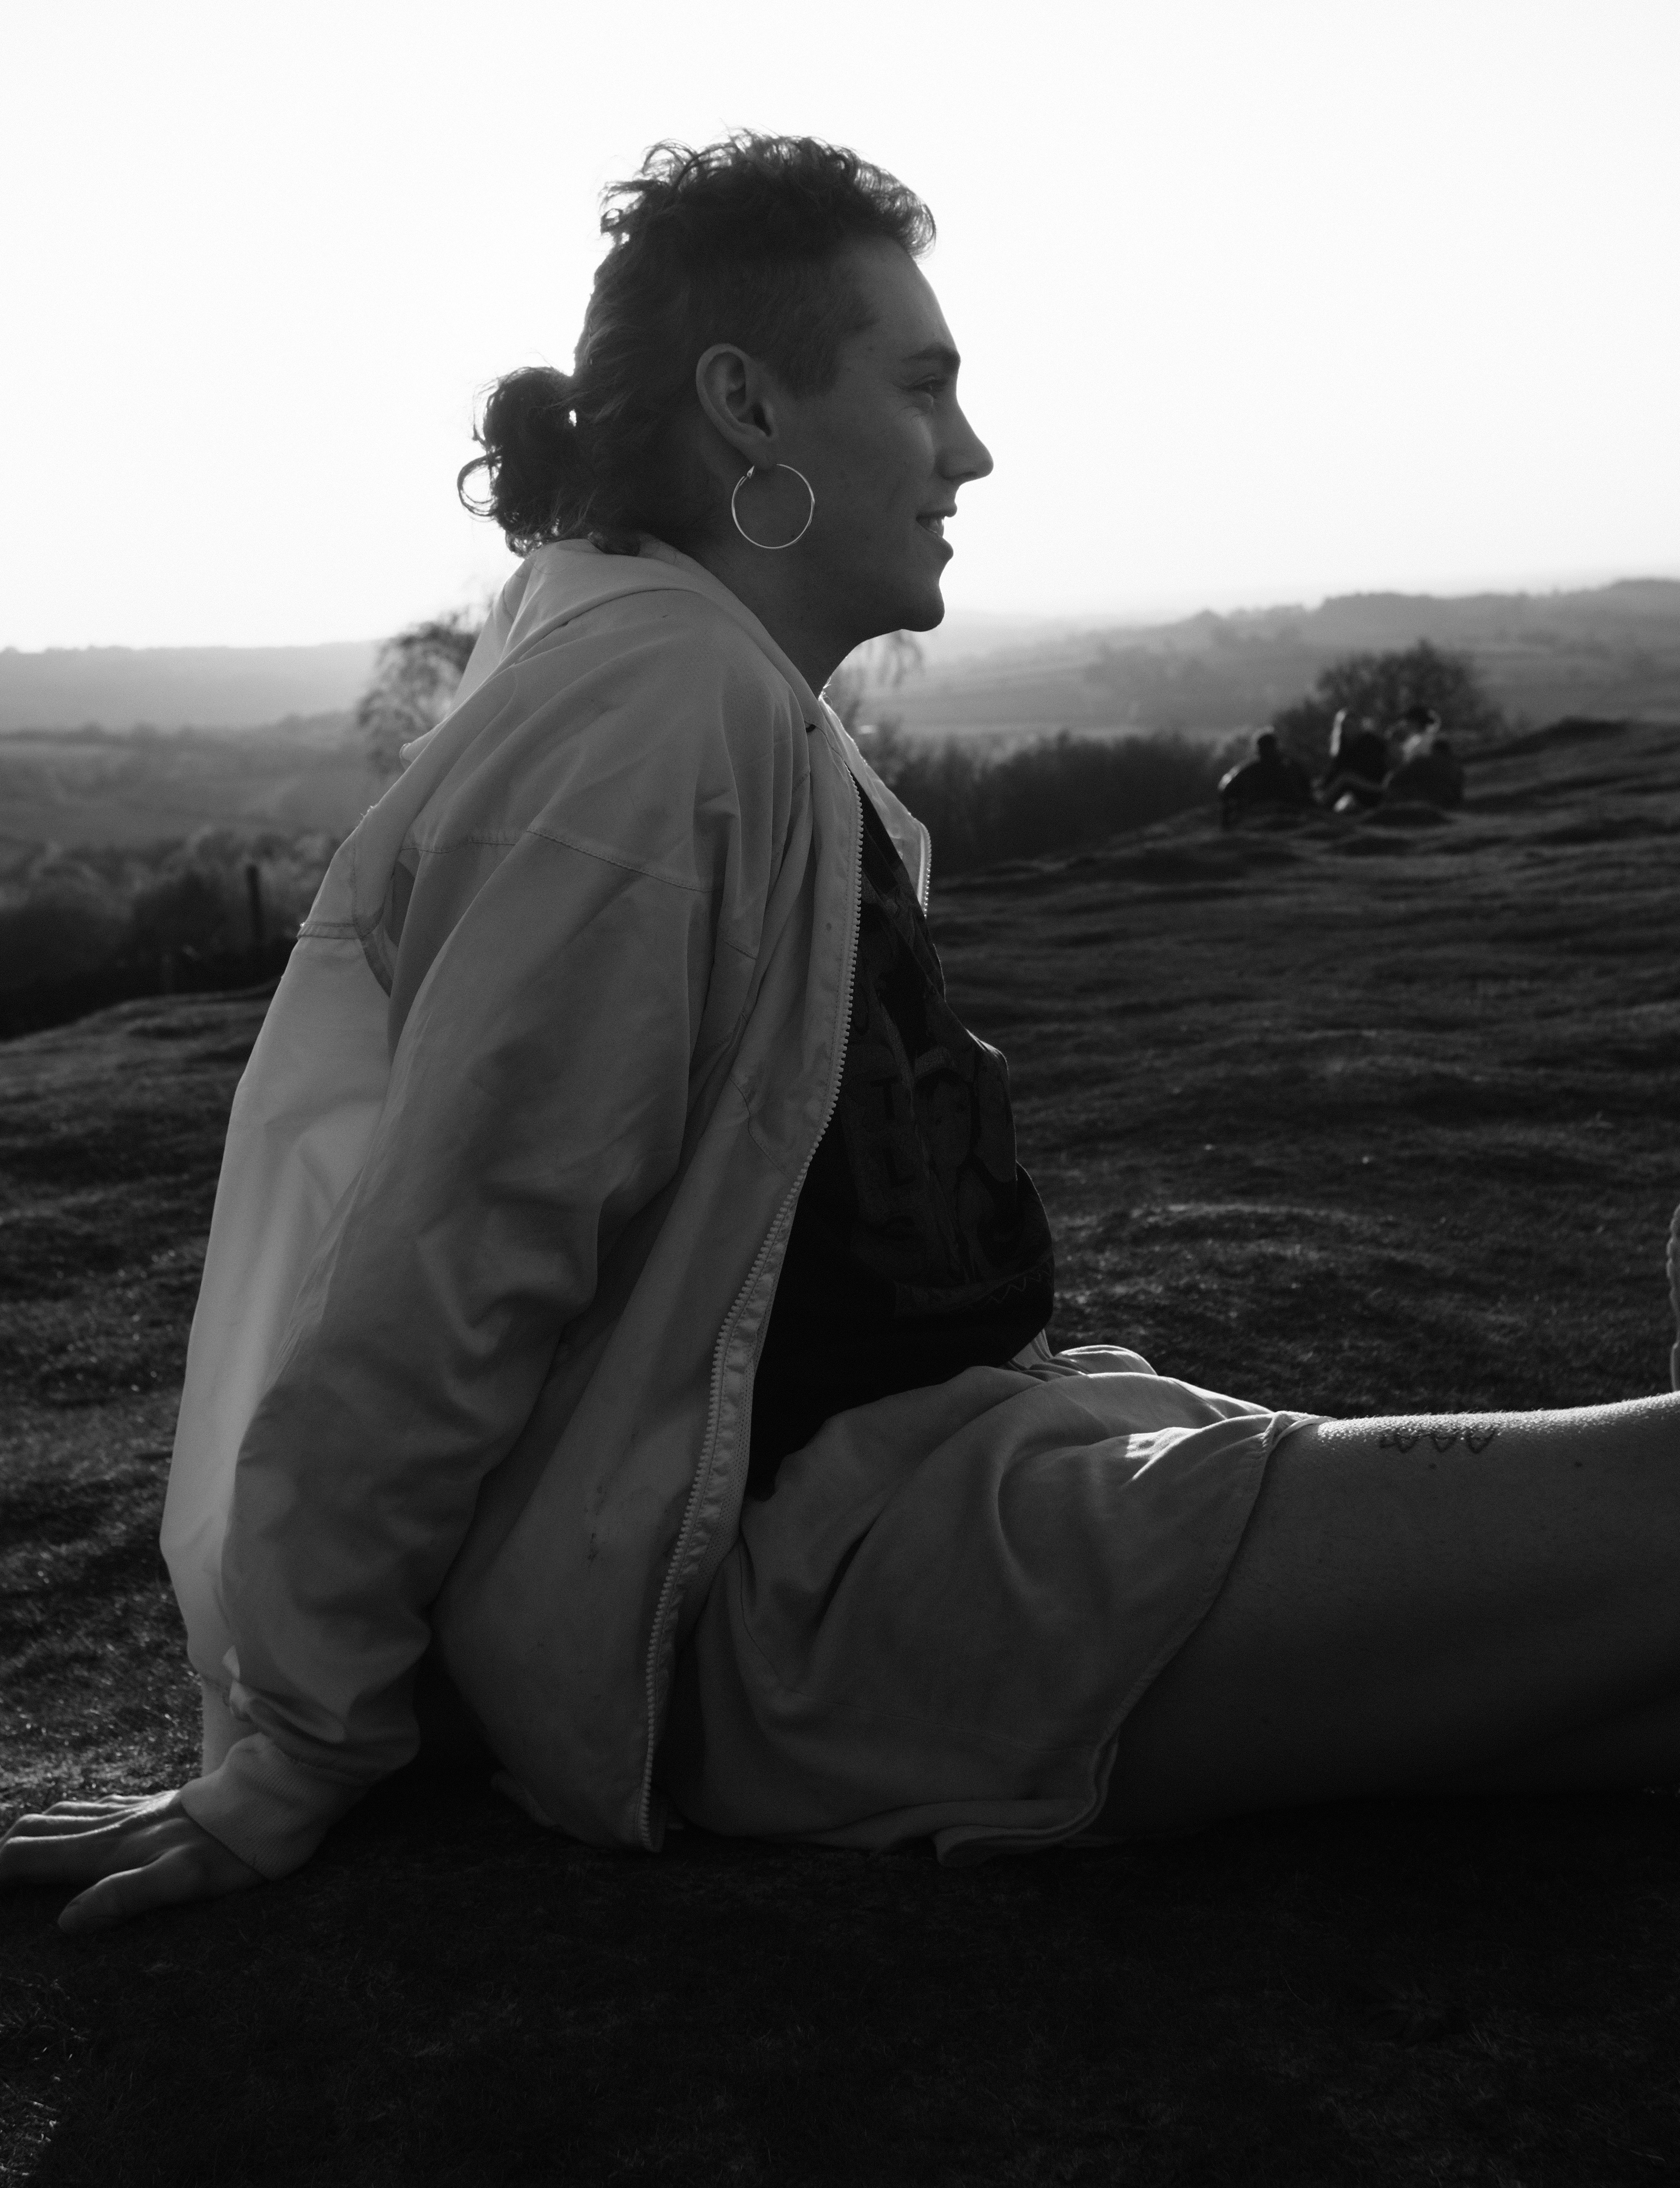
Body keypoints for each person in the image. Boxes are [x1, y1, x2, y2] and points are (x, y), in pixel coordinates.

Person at [7, 134, 1680, 1940]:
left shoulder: (702, 690)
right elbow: (447, 1262)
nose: (968, 452)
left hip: (969, 1489)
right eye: (924, 385)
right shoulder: (653, 711)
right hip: (830, 1603)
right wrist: (310, 1735)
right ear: (747, 404)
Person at [1216, 727, 1313, 828]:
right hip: (1288, 811)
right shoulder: (1291, 766)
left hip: (1258, 813)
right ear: (1276, 747)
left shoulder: (1247, 770)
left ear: (1258, 748)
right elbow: (1307, 789)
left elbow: (1224, 789)